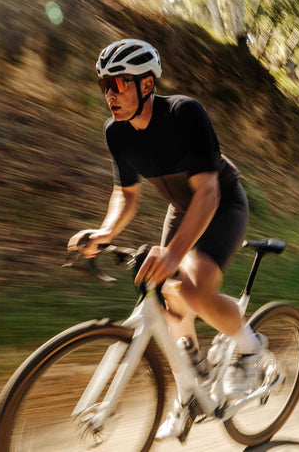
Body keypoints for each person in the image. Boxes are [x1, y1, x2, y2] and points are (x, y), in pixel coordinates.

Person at [67, 38, 267, 442]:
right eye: (104, 85)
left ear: (146, 84)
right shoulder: (117, 133)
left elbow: (207, 192)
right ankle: (189, 392)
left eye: (118, 83)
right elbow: (126, 194)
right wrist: (105, 233)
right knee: (161, 295)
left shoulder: (183, 113)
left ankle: (250, 346)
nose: (109, 94)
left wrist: (175, 254)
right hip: (181, 208)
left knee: (191, 288)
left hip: (221, 202)